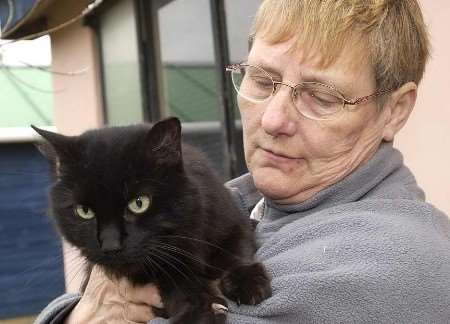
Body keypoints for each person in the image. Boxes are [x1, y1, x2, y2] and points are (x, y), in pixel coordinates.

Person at [35, 0, 450, 323]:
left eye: (321, 97)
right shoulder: (240, 199)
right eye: (262, 80)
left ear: (394, 111)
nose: (272, 119)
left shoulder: (393, 264)